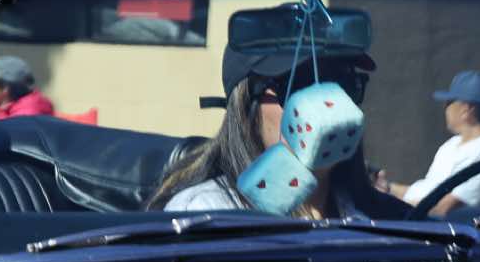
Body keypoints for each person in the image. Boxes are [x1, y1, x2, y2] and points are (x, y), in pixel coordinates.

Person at [149, 34, 400, 219]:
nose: (327, 103)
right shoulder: (204, 214)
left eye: (342, 82)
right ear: (245, 107)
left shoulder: (391, 221)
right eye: (298, 83)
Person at [382, 70, 480, 217]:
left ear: (466, 110)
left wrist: (387, 204)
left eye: (449, 102)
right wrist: (387, 188)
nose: (445, 108)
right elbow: (425, 192)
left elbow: (443, 208)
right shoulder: (451, 145)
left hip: (438, 230)